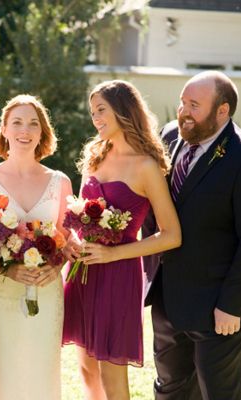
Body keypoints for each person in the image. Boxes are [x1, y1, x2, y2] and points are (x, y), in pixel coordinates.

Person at [144, 71, 241, 400]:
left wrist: (233, 306)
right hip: (167, 298)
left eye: (194, 105)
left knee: (219, 393)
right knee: (169, 389)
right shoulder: (169, 136)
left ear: (223, 111)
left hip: (217, 308)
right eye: (182, 102)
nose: (183, 112)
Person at [63, 80, 182, 400]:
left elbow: (171, 235)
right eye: (92, 112)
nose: (95, 117)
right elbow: (78, 212)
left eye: (101, 109)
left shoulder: (147, 165)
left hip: (118, 274)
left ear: (123, 110)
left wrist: (112, 255)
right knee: (86, 369)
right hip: (82, 272)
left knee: (111, 375)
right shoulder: (93, 156)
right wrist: (72, 239)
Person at [0, 95, 73, 399]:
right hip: (2, 293)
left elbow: (66, 242)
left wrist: (55, 268)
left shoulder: (61, 181)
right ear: (3, 129)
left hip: (48, 292)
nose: (24, 130)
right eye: (16, 122)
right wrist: (9, 268)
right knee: (3, 373)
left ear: (42, 133)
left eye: (33, 124)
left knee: (42, 371)